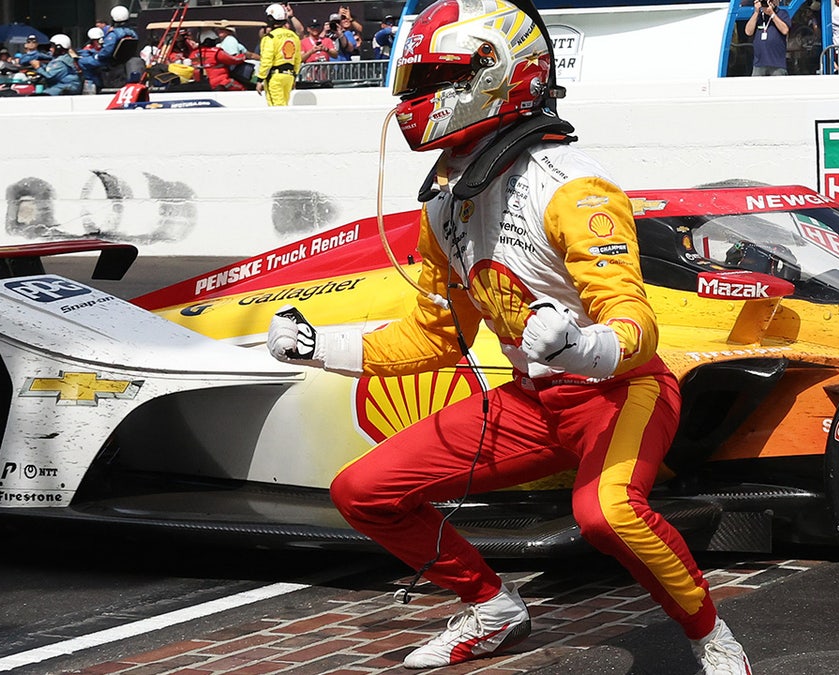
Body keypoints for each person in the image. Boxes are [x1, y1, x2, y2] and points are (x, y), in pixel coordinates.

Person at [266, 1, 753, 673]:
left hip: (620, 391)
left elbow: (637, 329)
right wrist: (316, 345)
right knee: (362, 488)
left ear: (494, 74)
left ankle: (710, 634)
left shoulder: (575, 186)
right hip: (531, 402)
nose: (412, 97)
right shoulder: (444, 203)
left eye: (432, 76)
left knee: (607, 510)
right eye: (413, 77)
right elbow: (434, 338)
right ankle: (493, 606)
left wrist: (579, 349)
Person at [78, 5, 139, 91]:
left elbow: (106, 52)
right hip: (122, 62)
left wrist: (97, 56)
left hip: (109, 62)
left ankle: (95, 84)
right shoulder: (132, 33)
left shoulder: (113, 34)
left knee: (82, 61)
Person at [257, 3, 302, 105]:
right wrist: (294, 76)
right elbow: (297, 59)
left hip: (275, 77)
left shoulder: (270, 37)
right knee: (284, 104)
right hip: (289, 76)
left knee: (276, 108)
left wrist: (260, 79)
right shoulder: (294, 36)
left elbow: (267, 61)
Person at [745, 0, 791, 74]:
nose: (767, 3)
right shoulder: (758, 16)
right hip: (759, 64)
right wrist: (756, 12)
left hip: (777, 64)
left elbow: (785, 30)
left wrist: (772, 14)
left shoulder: (782, 13)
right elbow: (748, 32)